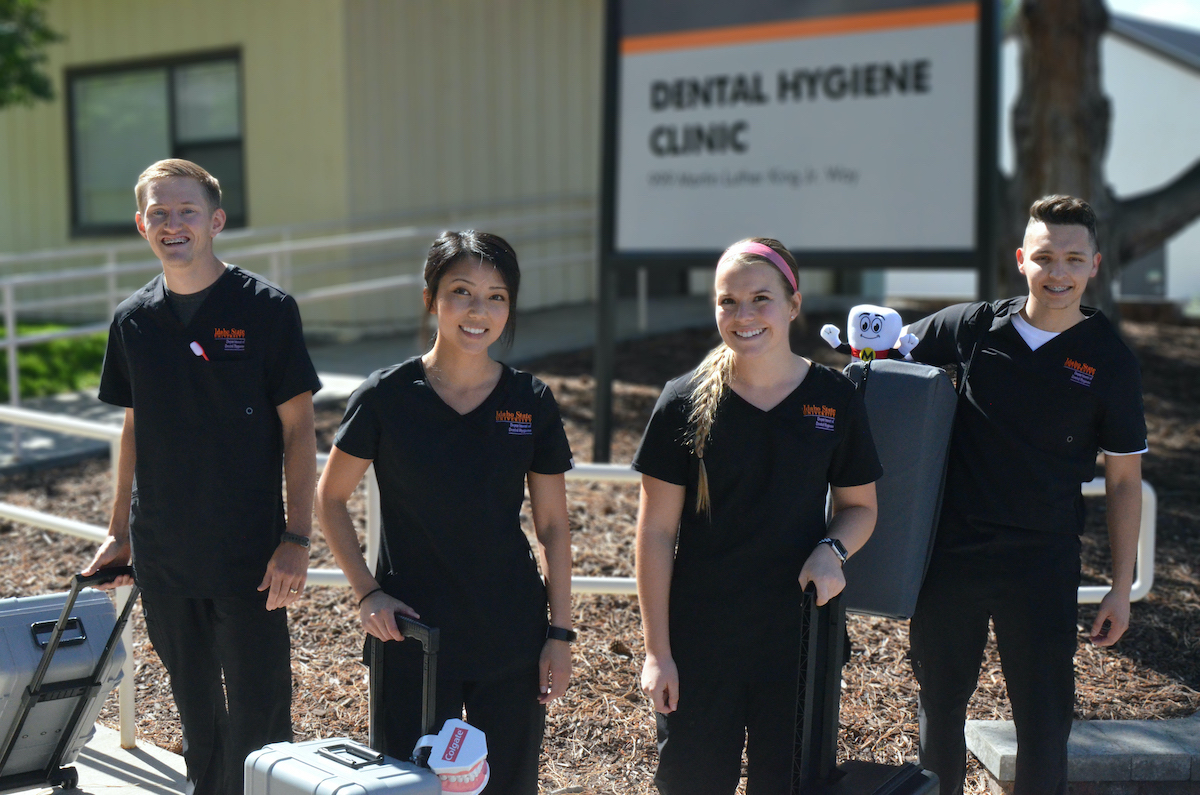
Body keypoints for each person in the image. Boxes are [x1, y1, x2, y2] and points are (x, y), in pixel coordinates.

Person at [82, 159, 321, 795]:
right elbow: (135, 429)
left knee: (259, 710)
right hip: (164, 552)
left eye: (186, 211)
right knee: (196, 712)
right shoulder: (133, 320)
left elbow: (300, 431)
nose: (172, 223)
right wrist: (120, 533)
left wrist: (297, 538)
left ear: (215, 221)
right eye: (158, 213)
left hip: (250, 552)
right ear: (141, 225)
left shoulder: (267, 310)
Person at [902, 195, 1147, 795]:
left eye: (1071, 258)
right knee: (940, 708)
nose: (1056, 272)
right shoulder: (972, 327)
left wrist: (1120, 585)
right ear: (1020, 260)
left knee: (1043, 724)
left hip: (1042, 563)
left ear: (1094, 265)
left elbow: (1122, 481)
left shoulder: (1109, 361)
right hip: (951, 555)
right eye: (1043, 257)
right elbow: (881, 353)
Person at [315, 231, 574, 795]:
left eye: (497, 296)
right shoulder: (385, 396)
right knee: (410, 788)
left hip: (510, 633)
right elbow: (329, 500)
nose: (479, 311)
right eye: (462, 291)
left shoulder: (530, 402)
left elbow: (553, 527)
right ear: (431, 298)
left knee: (504, 786)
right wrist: (366, 592)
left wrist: (560, 632)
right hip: (410, 633)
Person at [633, 238, 881, 794]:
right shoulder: (683, 401)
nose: (743, 316)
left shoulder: (834, 398)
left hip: (799, 642)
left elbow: (860, 509)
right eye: (727, 302)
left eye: (760, 299)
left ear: (794, 304)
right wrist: (657, 654)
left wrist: (832, 549)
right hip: (701, 645)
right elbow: (654, 534)